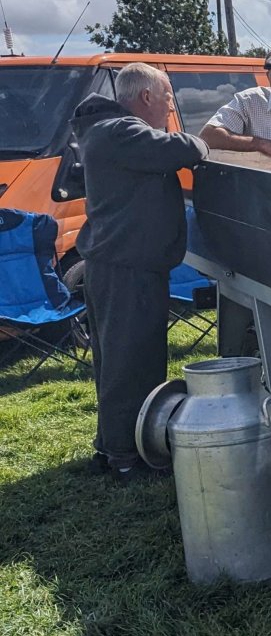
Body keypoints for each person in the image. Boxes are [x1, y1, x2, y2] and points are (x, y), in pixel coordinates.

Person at [72, 63, 209, 478]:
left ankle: (112, 446)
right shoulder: (120, 132)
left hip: (117, 265)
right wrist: (199, 143)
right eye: (168, 97)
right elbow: (185, 150)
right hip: (127, 268)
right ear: (146, 97)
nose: (171, 107)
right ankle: (126, 458)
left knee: (117, 361)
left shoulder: (106, 132)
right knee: (132, 363)